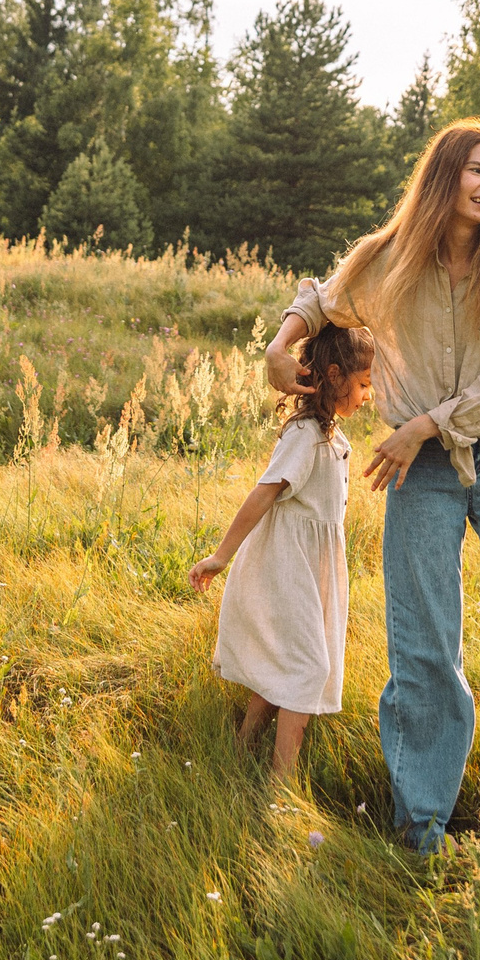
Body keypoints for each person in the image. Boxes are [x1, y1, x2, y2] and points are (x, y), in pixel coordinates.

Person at [266, 118, 480, 853]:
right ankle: (422, 823)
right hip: (421, 475)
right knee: (422, 646)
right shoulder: (388, 259)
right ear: (445, 175)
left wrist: (424, 427)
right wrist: (278, 343)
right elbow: (321, 299)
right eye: (478, 171)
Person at [189, 322, 375, 775]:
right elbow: (264, 492)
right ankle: (281, 783)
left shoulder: (334, 437)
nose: (368, 396)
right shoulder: (306, 435)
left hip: (312, 572)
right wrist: (220, 556)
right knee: (309, 669)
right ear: (334, 375)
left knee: (289, 665)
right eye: (364, 384)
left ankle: (240, 748)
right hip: (287, 569)